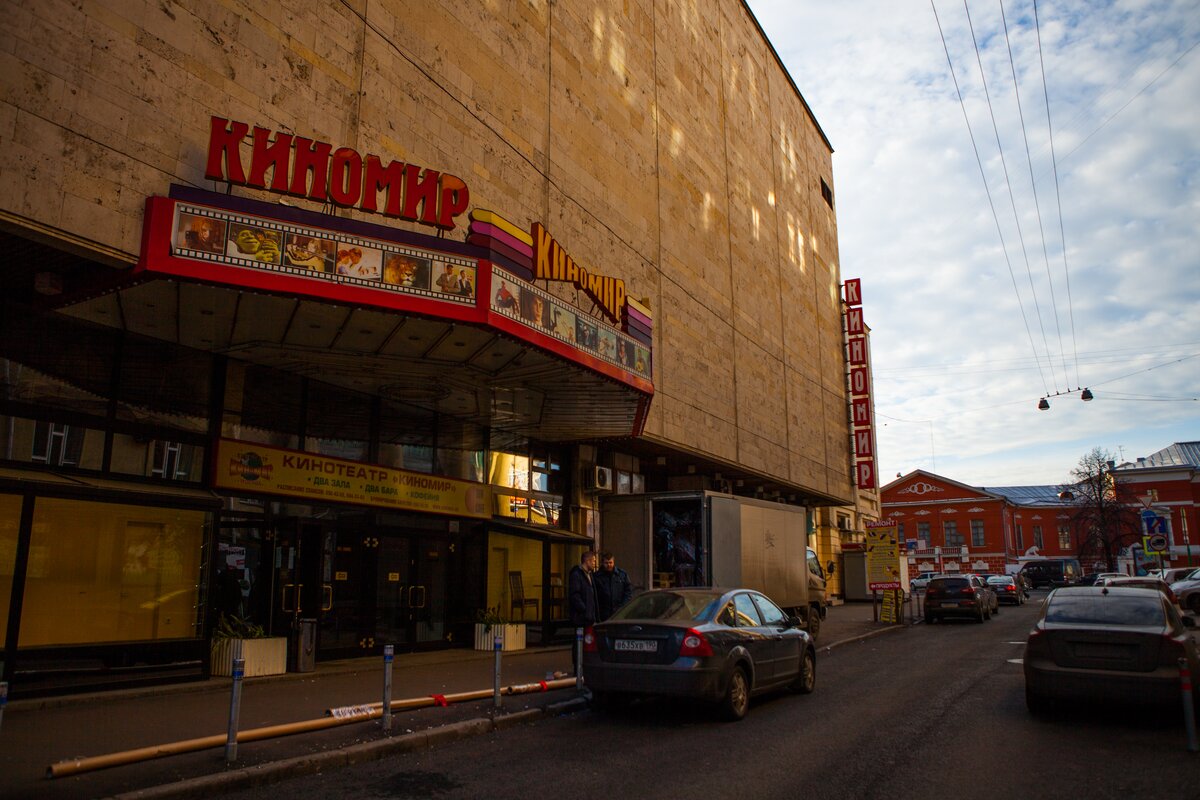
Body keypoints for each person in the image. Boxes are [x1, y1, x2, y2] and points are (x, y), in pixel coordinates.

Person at [567, 550, 598, 670]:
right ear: (587, 560)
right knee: (579, 643)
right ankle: (578, 668)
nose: (595, 563)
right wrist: (585, 610)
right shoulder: (577, 575)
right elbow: (575, 595)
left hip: (588, 616)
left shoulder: (589, 575)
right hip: (581, 617)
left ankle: (583, 667)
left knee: (586, 642)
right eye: (593, 561)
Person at [594, 551, 633, 620]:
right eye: (606, 563)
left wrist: (622, 607)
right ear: (602, 563)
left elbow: (628, 592)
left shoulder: (622, 575)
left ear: (613, 562)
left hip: (619, 613)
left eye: (610, 562)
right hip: (603, 613)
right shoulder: (597, 576)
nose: (609, 565)